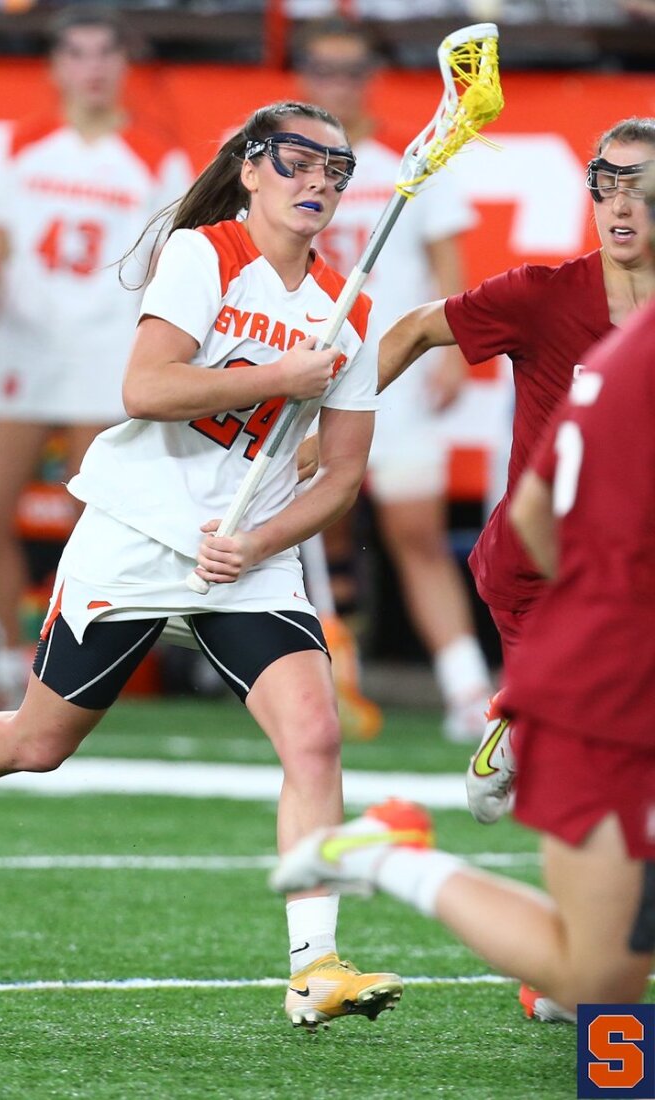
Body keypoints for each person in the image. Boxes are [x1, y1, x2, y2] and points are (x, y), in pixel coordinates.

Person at [0, 100, 408, 1032]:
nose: (320, 179)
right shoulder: (203, 256)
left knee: (313, 735)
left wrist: (262, 544)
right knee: (39, 744)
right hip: (137, 532)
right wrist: (281, 378)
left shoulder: (346, 310)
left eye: (338, 169)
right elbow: (146, 388)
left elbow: (343, 477)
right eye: (302, 160)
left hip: (249, 553)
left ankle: (315, 966)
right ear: (253, 169)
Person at [271, 245, 655, 1020]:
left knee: (600, 978)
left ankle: (520, 729)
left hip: (600, 638)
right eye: (610, 185)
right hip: (606, 641)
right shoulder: (578, 313)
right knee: (603, 982)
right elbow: (540, 517)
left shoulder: (630, 337)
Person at [377, 116, 655, 823]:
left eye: (641, 186)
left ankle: (526, 714)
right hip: (543, 570)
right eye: (606, 184)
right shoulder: (542, 295)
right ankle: (525, 718)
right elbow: (413, 329)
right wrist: (325, 434)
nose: (620, 205)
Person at [0, 9, 194, 707]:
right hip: (22, 342)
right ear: (55, 66)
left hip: (105, 347)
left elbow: (176, 259)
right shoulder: (17, 146)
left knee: (94, 517)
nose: (93, 68)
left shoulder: (154, 156)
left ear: (123, 66)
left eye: (105, 54)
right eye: (77, 54)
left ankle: (64, 655)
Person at [296, 18, 492, 741]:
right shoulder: (282, 157)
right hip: (306, 363)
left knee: (414, 528)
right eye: (322, 67)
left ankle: (464, 682)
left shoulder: (412, 158)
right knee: (312, 527)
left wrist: (451, 350)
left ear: (371, 75)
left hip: (392, 366)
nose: (336, 83)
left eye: (350, 69)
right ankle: (322, 680)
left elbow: (448, 258)